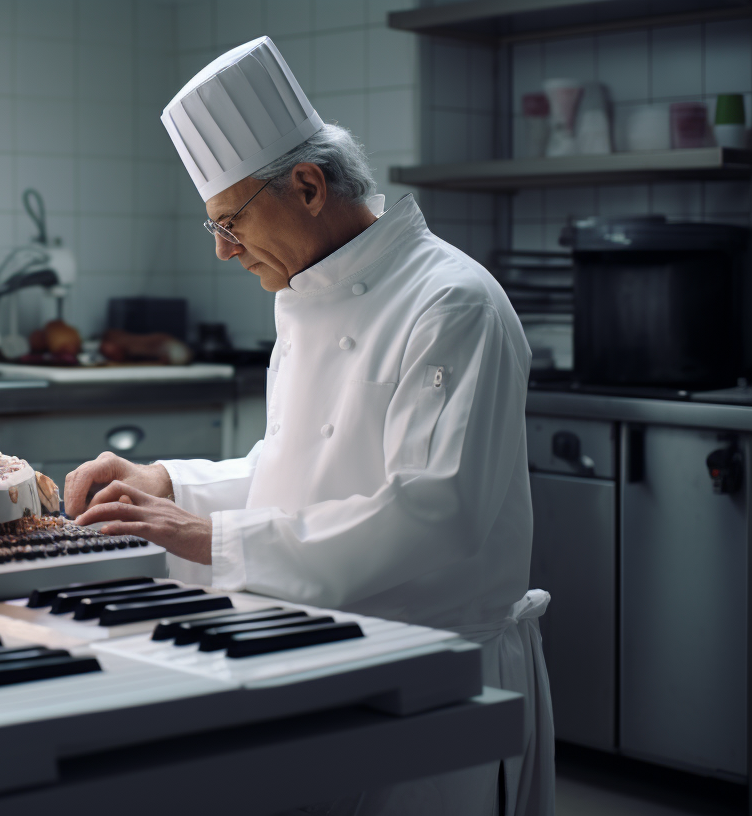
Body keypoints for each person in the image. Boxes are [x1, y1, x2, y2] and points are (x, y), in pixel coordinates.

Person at [66, 37, 554, 816]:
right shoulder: (308, 294)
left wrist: (215, 542)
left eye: (230, 221)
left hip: (432, 672)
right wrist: (169, 486)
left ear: (306, 185)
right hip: (324, 652)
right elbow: (293, 466)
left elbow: (432, 512)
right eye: (213, 227)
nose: (224, 250)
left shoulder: (452, 303)